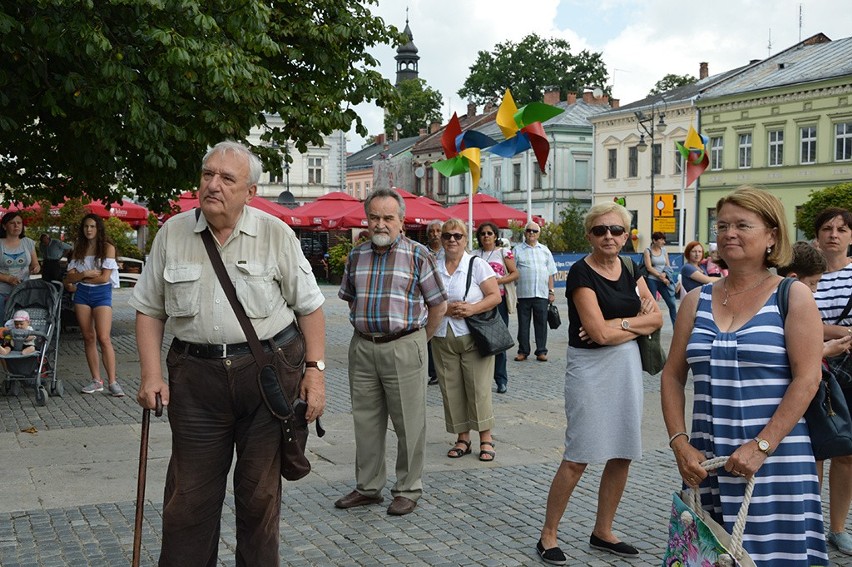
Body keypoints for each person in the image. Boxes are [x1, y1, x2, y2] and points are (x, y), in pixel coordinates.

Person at [131, 141, 327, 565]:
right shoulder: (173, 233)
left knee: (258, 498)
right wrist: (150, 374)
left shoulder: (275, 234)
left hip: (266, 381)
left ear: (250, 192)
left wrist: (315, 371)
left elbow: (310, 306)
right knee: (189, 500)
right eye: (207, 175)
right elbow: (148, 309)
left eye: (226, 178)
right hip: (196, 382)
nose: (212, 185)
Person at [661, 186, 827, 566]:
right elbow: (672, 375)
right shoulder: (695, 301)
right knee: (711, 556)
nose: (728, 233)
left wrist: (761, 446)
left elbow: (807, 379)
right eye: (722, 226)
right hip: (707, 463)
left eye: (742, 225)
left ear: (772, 235)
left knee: (774, 557)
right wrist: (679, 442)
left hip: (776, 462)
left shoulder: (793, 295)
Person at [536, 202, 661, 565]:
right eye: (600, 230)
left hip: (626, 367)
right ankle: (548, 535)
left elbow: (655, 319)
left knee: (622, 450)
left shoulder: (630, 267)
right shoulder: (580, 273)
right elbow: (596, 335)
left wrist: (617, 326)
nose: (609, 236)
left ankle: (603, 531)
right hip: (590, 369)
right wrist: (629, 324)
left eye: (616, 230)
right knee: (579, 455)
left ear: (626, 235)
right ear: (590, 235)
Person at [336, 188, 447, 516]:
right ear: (367, 220)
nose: (380, 224)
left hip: (404, 344)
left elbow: (438, 305)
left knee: (409, 423)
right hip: (363, 346)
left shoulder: (418, 254)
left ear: (401, 221)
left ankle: (408, 489)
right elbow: (350, 297)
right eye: (374, 217)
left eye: (388, 218)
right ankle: (368, 487)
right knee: (366, 421)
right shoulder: (357, 256)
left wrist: (418, 341)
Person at [433, 219, 501, 461]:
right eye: (448, 235)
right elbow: (424, 299)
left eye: (458, 236)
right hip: (442, 334)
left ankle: (486, 438)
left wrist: (472, 308)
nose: (452, 240)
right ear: (441, 239)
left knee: (478, 388)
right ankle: (462, 438)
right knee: (451, 389)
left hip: (473, 334)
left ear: (465, 239)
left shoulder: (477, 264)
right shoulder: (433, 264)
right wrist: (444, 310)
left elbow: (495, 297)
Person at [812, 207, 852, 555]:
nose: (833, 234)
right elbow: (797, 316)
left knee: (847, 451)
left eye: (841, 229)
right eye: (826, 228)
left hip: (849, 371)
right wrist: (841, 331)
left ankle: (838, 528)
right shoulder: (806, 275)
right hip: (815, 366)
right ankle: (811, 523)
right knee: (814, 450)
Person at [63, 214, 124, 397]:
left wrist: (81, 276)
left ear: (98, 228)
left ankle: (113, 381)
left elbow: (105, 278)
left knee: (104, 337)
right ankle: (96, 380)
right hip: (82, 294)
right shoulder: (78, 250)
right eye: (86, 227)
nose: (88, 230)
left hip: (102, 294)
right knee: (89, 337)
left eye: (92, 226)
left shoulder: (107, 248)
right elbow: (69, 279)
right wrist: (85, 274)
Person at [472, 221, 518, 393]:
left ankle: (500, 379)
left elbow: (515, 273)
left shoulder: (503, 253)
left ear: (495, 236)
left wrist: (496, 281)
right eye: (483, 234)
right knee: (478, 340)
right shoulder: (474, 255)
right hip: (478, 302)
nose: (486, 236)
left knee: (498, 340)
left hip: (498, 301)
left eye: (489, 233)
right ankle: (480, 379)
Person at [514, 221, 556, 362]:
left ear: (539, 234)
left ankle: (541, 351)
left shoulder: (545, 250)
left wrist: (551, 291)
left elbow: (550, 272)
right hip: (523, 294)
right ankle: (523, 351)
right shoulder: (517, 250)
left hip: (541, 293)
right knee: (523, 325)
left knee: (541, 324)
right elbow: (512, 271)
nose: (531, 233)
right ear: (525, 232)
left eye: (534, 231)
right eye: (529, 230)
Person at [0, 212, 40, 316]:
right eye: (12, 223)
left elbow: (35, 264)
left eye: (19, 223)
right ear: (4, 226)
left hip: (23, 291)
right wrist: (8, 279)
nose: (16, 225)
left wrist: (35, 268)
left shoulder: (28, 242)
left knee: (21, 324)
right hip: (2, 292)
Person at [643, 231, 677, 325]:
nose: (663, 242)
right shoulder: (647, 251)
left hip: (664, 279)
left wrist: (665, 275)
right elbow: (649, 267)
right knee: (651, 304)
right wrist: (660, 276)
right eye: (661, 239)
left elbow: (668, 265)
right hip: (652, 280)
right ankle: (650, 326)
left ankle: (676, 326)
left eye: (664, 240)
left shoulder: (664, 250)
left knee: (672, 303)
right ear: (654, 240)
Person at [425, 219, 444, 385]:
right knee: (430, 334)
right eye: (432, 231)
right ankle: (433, 371)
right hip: (427, 299)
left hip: (445, 298)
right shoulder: (423, 251)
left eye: (438, 231)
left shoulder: (448, 251)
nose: (435, 234)